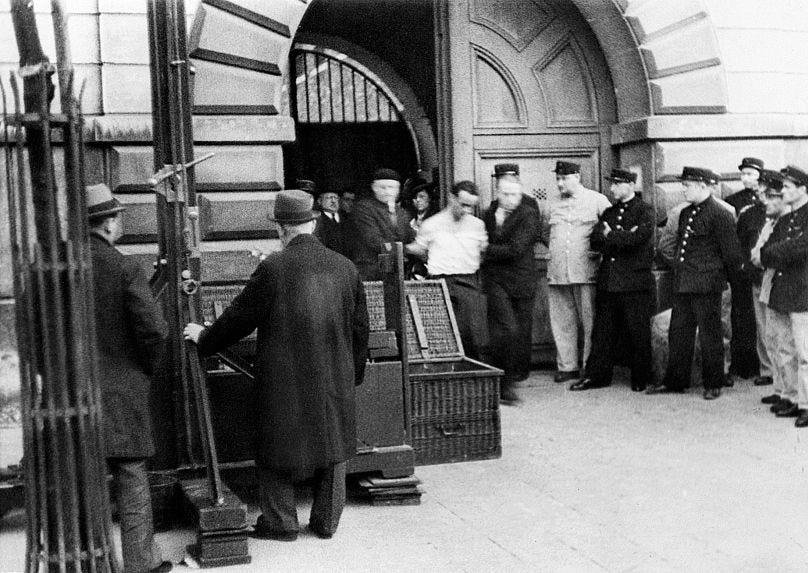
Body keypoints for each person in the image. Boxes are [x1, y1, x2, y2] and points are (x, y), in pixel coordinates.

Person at [184, 189, 370, 540]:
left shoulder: (273, 268)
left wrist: (204, 337)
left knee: (276, 444)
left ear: (282, 229)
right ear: (312, 223)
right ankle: (326, 522)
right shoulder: (346, 267)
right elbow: (361, 329)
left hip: (286, 379)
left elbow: (238, 319)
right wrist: (353, 374)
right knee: (334, 445)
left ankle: (280, 523)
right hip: (335, 376)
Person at [87, 183, 172, 573]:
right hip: (122, 390)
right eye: (117, 217)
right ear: (108, 224)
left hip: (73, 392)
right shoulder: (125, 268)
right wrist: (142, 370)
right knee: (131, 474)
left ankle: (91, 562)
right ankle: (141, 564)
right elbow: (154, 330)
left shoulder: (55, 267)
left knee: (84, 479)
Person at [647, 167, 742, 400]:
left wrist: (727, 282)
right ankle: (675, 381)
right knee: (679, 333)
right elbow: (680, 246)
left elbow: (731, 254)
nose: (683, 188)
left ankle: (714, 382)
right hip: (684, 283)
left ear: (702, 186)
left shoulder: (720, 214)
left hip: (707, 284)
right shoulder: (686, 213)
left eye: (687, 185)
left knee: (710, 334)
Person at [569, 169, 654, 392]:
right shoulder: (608, 212)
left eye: (616, 184)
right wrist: (619, 236)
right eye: (612, 184)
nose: (612, 188)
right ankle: (596, 376)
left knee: (637, 331)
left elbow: (637, 240)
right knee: (603, 332)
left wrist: (611, 235)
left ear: (630, 185)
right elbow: (595, 241)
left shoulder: (645, 211)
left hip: (634, 282)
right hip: (609, 281)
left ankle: (641, 377)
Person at [542, 160, 611, 383]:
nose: (560, 183)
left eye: (564, 179)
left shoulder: (597, 200)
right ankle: (567, 366)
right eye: (558, 179)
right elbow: (544, 232)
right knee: (562, 321)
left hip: (586, 270)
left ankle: (590, 366)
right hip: (559, 270)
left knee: (590, 322)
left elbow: (610, 230)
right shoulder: (551, 205)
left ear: (577, 177)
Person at [407, 180, 489, 359]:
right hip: (439, 282)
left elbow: (483, 251)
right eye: (463, 204)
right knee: (441, 333)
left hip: (468, 282)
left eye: (471, 206)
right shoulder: (431, 224)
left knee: (472, 335)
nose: (467, 210)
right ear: (452, 198)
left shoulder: (477, 225)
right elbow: (419, 248)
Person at [481, 164, 541, 403]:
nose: (510, 199)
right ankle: (503, 381)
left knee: (520, 330)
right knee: (505, 328)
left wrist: (486, 250)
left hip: (522, 279)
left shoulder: (528, 213)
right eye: (505, 194)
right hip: (496, 281)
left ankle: (514, 375)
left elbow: (517, 249)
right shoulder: (488, 212)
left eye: (515, 194)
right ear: (497, 192)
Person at [760, 165, 808, 427]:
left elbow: (800, 249)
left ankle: (807, 403)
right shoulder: (788, 218)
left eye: (788, 187)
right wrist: (778, 251)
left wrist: (777, 251)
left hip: (802, 291)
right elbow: (765, 251)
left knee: (805, 353)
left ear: (802, 190)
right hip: (784, 290)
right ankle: (791, 397)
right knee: (786, 349)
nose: (783, 191)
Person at [749, 177, 796, 414]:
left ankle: (792, 394)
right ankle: (781, 390)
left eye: (770, 196)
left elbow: (766, 255)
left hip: (784, 284)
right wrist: (763, 255)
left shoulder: (788, 223)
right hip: (769, 282)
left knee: (787, 344)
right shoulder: (772, 223)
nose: (764, 201)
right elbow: (756, 253)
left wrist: (764, 255)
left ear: (781, 198)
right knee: (774, 340)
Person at [737, 169, 781, 387]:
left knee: (784, 328)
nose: (761, 193)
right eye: (761, 189)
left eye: (767, 190)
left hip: (781, 278)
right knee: (763, 326)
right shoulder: (748, 214)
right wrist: (748, 267)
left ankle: (783, 375)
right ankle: (767, 369)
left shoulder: (785, 214)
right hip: (758, 277)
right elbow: (742, 245)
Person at [727, 157, 766, 380]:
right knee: (740, 316)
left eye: (751, 173)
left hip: (761, 269)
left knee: (761, 319)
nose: (746, 178)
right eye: (743, 173)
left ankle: (763, 365)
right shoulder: (733, 201)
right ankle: (742, 364)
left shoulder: (771, 203)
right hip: (742, 269)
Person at [351, 168, 416, 281]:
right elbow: (374, 240)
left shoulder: (401, 212)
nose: (387, 191)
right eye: (382, 187)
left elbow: (409, 235)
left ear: (398, 190)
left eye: (391, 187)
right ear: (374, 188)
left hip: (396, 271)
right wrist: (407, 249)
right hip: (371, 271)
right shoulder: (363, 208)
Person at [314, 187, 354, 259]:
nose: (333, 201)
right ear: (319, 201)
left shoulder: (347, 219)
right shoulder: (317, 220)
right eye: (329, 198)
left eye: (336, 198)